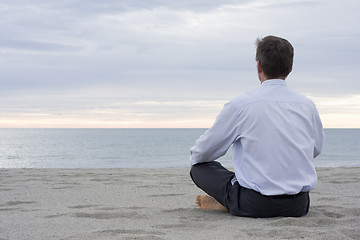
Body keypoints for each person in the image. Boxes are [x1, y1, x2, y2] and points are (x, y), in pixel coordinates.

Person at [189, 35, 324, 218]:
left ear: (259, 66)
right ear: (290, 68)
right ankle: (233, 196)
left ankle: (228, 200)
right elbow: (315, 149)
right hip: (299, 205)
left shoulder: (240, 105)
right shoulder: (307, 105)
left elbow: (203, 152)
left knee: (199, 167)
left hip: (255, 204)